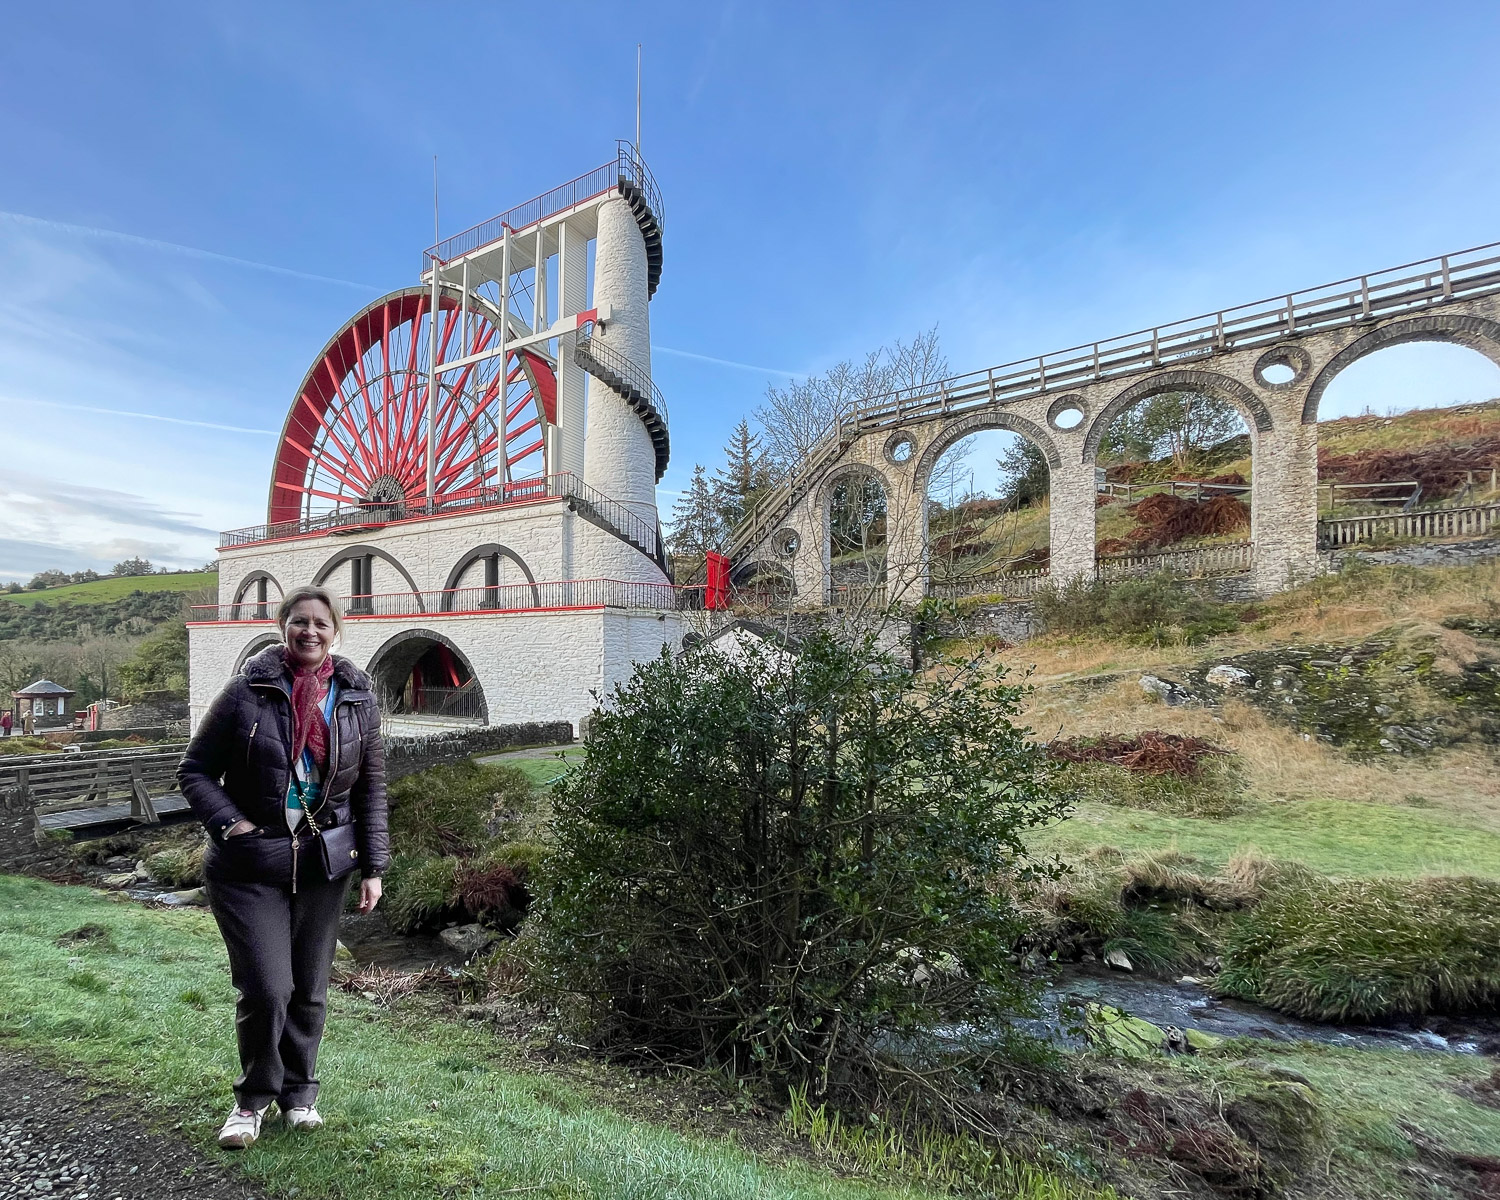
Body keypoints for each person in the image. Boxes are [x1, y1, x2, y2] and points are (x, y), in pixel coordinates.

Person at [178, 585, 388, 1150]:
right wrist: (233, 825)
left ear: (335, 630)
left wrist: (374, 866)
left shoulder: (357, 700)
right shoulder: (245, 692)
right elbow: (194, 770)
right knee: (267, 988)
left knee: (310, 990)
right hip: (250, 863)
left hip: (323, 863)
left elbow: (370, 789)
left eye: (321, 622)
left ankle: (299, 1095)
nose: (309, 631)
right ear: (282, 626)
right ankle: (251, 1100)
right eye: (299, 621)